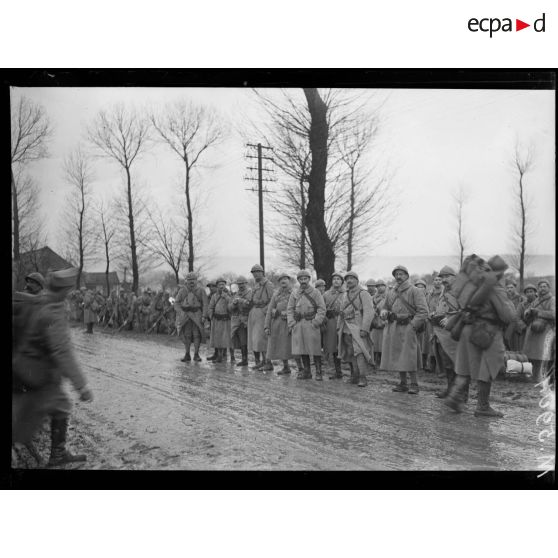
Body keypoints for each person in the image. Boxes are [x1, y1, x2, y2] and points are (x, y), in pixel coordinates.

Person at [12, 267, 94, 466]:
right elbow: (62, 352)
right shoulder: (53, 311)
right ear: (65, 291)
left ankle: (55, 452)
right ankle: (56, 454)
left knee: (37, 409)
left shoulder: (42, 302)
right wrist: (82, 386)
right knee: (56, 406)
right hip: (37, 370)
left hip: (29, 367)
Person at [444, 255, 516, 417]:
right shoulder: (495, 287)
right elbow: (508, 316)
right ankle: (483, 406)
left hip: (467, 328)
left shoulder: (472, 285)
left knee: (465, 367)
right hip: (487, 331)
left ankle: (455, 396)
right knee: (489, 366)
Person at [380, 265, 428, 394]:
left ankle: (414, 383)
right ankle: (403, 383)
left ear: (407, 275)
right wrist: (384, 312)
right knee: (398, 355)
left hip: (409, 326)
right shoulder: (391, 292)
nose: (398, 276)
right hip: (394, 326)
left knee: (410, 355)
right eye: (396, 274)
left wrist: (413, 326)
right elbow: (385, 306)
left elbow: (423, 311)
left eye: (401, 274)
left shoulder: (415, 291)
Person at [430, 265, 464, 399]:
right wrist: (435, 314)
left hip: (455, 332)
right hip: (442, 332)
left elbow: (466, 310)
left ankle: (461, 393)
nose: (444, 279)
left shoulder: (461, 291)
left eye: (447, 277)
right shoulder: (444, 291)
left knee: (458, 363)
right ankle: (450, 389)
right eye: (442, 277)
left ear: (454, 277)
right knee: (447, 364)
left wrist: (451, 318)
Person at [337, 270, 375, 387]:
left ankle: (363, 377)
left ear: (357, 280)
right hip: (346, 328)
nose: (349, 280)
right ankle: (355, 376)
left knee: (360, 352)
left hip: (358, 327)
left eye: (352, 278)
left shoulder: (364, 294)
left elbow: (369, 312)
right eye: (347, 279)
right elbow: (341, 312)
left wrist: (365, 328)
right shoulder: (345, 294)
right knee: (350, 352)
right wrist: (339, 327)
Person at [287, 269, 326, 380]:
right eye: (301, 279)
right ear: (298, 280)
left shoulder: (315, 292)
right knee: (302, 348)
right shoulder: (295, 293)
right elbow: (290, 309)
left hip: (311, 322)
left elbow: (322, 308)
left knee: (315, 349)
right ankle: (307, 371)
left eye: (305, 278)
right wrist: (292, 323)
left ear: (309, 279)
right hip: (299, 323)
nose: (303, 281)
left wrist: (316, 322)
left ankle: (318, 372)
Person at [522, 280, 555, 383]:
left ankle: (543, 378)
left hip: (545, 329)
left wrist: (538, 312)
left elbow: (553, 314)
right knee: (532, 355)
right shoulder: (536, 300)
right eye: (540, 287)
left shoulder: (552, 300)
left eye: (545, 286)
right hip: (533, 329)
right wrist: (527, 312)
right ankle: (533, 376)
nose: (542, 288)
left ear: (549, 288)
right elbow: (529, 310)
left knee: (543, 355)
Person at [174, 272, 208, 362]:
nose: (191, 281)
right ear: (186, 281)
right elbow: (176, 302)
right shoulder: (182, 290)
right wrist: (180, 312)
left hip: (197, 314)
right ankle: (187, 354)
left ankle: (196, 354)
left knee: (197, 335)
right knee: (187, 335)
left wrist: (204, 315)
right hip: (185, 315)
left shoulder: (201, 290)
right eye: (189, 280)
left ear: (196, 281)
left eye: (193, 279)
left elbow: (205, 304)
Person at [264, 272, 294, 374]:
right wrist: (266, 326)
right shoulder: (276, 294)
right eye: (281, 279)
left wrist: (289, 314)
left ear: (289, 281)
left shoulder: (294, 293)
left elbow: (298, 307)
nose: (283, 281)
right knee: (281, 345)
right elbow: (269, 310)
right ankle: (286, 366)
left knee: (293, 345)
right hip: (277, 323)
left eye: (285, 279)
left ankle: (302, 368)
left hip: (290, 323)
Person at [247, 264, 275, 371]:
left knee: (263, 339)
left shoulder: (268, 284)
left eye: (257, 272)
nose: (255, 274)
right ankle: (262, 362)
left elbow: (273, 300)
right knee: (256, 339)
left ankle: (268, 362)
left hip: (263, 313)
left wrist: (265, 311)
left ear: (262, 272)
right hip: (254, 313)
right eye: (253, 272)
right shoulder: (256, 285)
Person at [323, 271, 345, 379]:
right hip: (330, 322)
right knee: (332, 347)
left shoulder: (346, 293)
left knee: (343, 346)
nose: (336, 281)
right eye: (334, 279)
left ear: (342, 281)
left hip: (342, 322)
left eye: (338, 279)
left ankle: (352, 371)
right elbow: (321, 308)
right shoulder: (326, 294)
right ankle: (336, 371)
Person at [207, 278, 232, 363]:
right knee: (217, 338)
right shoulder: (214, 296)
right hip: (216, 320)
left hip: (225, 319)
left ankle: (224, 356)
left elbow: (232, 305)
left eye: (223, 284)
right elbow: (210, 306)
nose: (221, 286)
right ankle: (218, 355)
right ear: (217, 286)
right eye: (219, 285)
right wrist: (211, 317)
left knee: (224, 338)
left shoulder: (229, 294)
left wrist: (226, 297)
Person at [229, 276, 252, 366]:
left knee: (252, 341)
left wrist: (241, 301)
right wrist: (234, 304)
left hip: (248, 319)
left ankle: (258, 361)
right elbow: (230, 308)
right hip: (238, 320)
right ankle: (244, 359)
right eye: (239, 284)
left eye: (242, 283)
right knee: (242, 340)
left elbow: (250, 304)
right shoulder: (236, 294)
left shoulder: (250, 292)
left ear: (246, 283)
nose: (241, 285)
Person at [515, 283, 538, 351]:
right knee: (525, 350)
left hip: (538, 329)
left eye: (531, 291)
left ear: (535, 292)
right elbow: (517, 318)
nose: (529, 293)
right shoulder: (521, 305)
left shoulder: (540, 302)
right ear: (525, 294)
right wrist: (524, 327)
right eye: (527, 292)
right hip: (525, 330)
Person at [504, 277, 524, 351]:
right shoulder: (503, 298)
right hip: (506, 325)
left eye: (511, 287)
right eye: (508, 287)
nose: (509, 289)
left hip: (516, 326)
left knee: (516, 347)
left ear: (515, 288)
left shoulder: (521, 298)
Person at [371, 279, 387, 368]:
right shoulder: (373, 297)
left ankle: (382, 361)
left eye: (382, 285)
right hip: (375, 322)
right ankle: (374, 360)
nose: (380, 287)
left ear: (385, 286)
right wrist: (374, 310)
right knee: (374, 342)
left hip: (385, 322)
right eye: (378, 286)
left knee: (383, 342)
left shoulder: (388, 297)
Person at [206, 281, 220, 361]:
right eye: (209, 287)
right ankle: (216, 353)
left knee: (220, 336)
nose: (211, 288)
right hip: (212, 318)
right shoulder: (208, 296)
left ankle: (221, 354)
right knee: (213, 337)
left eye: (213, 286)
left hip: (220, 318)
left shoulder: (220, 295)